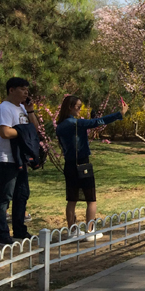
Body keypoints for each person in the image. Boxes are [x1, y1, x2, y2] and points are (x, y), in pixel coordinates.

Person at [56, 95, 129, 234]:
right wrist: (119, 114)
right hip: (82, 164)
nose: (80, 109)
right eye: (78, 106)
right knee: (91, 199)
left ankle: (72, 230)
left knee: (72, 199)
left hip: (69, 165)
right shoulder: (76, 123)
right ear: (70, 107)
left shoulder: (59, 126)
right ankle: (90, 230)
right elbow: (98, 121)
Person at [0, 77, 41, 247]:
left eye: (27, 89)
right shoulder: (4, 108)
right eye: (22, 89)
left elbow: (34, 129)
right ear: (11, 90)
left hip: (20, 159)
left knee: (22, 195)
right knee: (5, 197)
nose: (26, 92)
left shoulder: (22, 109)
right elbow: (5, 132)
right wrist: (23, 132)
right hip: (5, 160)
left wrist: (31, 111)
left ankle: (19, 230)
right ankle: (1, 234)